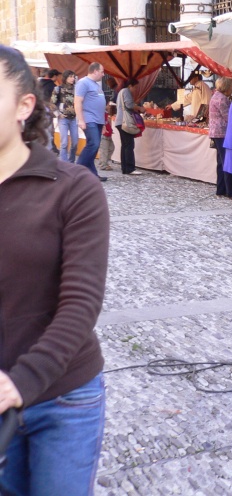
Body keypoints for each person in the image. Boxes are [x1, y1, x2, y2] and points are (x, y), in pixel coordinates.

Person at [0, 45, 108, 495]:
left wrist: (20, 382)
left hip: (64, 395)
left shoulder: (72, 189)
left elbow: (81, 302)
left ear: (25, 106)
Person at [74, 62, 107, 181]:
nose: (103, 74)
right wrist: (81, 120)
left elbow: (99, 104)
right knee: (93, 144)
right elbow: (78, 101)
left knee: (94, 146)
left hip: (97, 120)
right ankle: (76, 171)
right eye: (102, 71)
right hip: (89, 119)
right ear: (95, 71)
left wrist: (103, 123)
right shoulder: (83, 83)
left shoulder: (96, 85)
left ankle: (92, 174)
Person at [209, 77, 232, 198]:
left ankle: (221, 189)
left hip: (215, 132)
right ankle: (230, 190)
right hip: (222, 133)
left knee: (221, 161)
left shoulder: (215, 96)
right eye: (231, 87)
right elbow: (228, 117)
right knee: (226, 161)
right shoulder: (222, 99)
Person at [115, 79, 146, 176]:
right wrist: (139, 108)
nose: (136, 90)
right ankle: (130, 168)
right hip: (125, 121)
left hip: (120, 121)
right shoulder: (126, 91)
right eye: (135, 87)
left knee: (124, 145)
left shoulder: (121, 92)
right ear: (130, 86)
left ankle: (125, 168)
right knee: (129, 145)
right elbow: (129, 105)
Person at [52, 69, 78, 163]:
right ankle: (64, 163)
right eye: (70, 76)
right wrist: (58, 114)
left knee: (75, 142)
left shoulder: (77, 89)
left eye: (73, 77)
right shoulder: (58, 89)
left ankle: (71, 162)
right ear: (65, 78)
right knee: (64, 142)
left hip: (74, 118)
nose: (72, 79)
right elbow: (52, 103)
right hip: (63, 119)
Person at [98, 102, 116, 171]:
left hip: (108, 133)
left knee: (111, 148)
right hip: (104, 134)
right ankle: (103, 164)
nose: (109, 107)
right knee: (104, 150)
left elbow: (108, 123)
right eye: (108, 106)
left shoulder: (107, 114)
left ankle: (104, 162)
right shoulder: (101, 113)